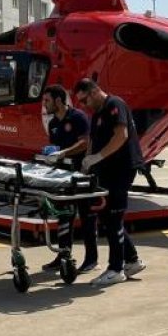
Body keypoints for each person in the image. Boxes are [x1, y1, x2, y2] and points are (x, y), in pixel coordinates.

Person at [73, 78, 147, 286]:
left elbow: (121, 135)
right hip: (107, 171)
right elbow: (94, 141)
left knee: (114, 217)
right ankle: (132, 261)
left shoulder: (115, 104)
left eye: (84, 100)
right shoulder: (97, 114)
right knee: (107, 217)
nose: (83, 105)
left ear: (95, 92)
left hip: (121, 168)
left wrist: (98, 157)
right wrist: (86, 164)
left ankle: (116, 268)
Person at [38, 84, 99, 274]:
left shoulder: (78, 117)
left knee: (87, 217)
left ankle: (91, 259)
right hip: (63, 177)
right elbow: (55, 149)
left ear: (58, 100)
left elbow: (85, 142)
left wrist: (64, 152)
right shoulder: (53, 124)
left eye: (47, 100)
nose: (44, 105)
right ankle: (63, 255)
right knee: (64, 216)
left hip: (82, 173)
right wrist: (50, 155)